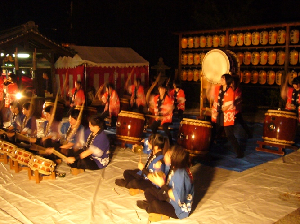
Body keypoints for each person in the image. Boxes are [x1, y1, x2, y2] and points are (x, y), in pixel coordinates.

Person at [136, 145, 194, 221]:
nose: (164, 156)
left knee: (155, 205)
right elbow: (156, 179)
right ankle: (155, 207)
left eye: (167, 155)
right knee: (148, 191)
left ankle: (153, 209)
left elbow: (178, 198)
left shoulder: (180, 174)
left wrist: (162, 185)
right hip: (168, 198)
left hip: (178, 209)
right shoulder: (172, 166)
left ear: (173, 158)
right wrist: (144, 170)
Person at [211, 74, 244, 158]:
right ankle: (208, 150)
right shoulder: (218, 88)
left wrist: (217, 112)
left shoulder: (230, 91)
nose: (221, 80)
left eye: (223, 78)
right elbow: (215, 99)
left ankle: (239, 153)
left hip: (226, 115)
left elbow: (226, 107)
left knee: (229, 135)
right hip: (218, 113)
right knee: (214, 131)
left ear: (227, 81)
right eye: (221, 78)